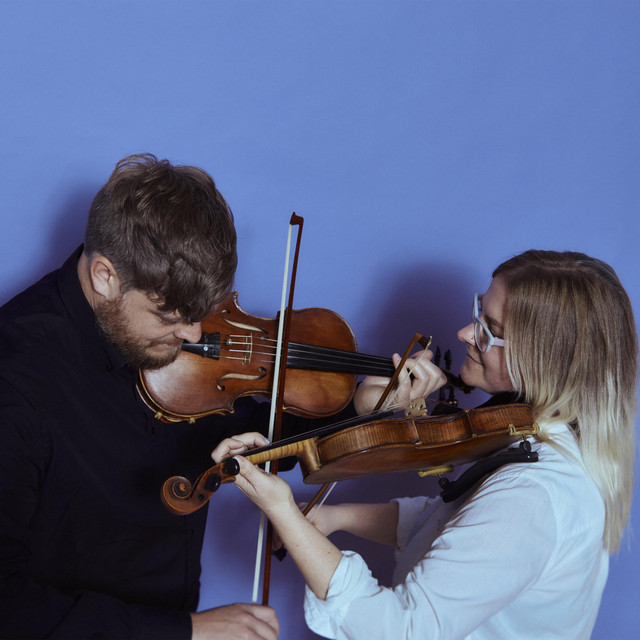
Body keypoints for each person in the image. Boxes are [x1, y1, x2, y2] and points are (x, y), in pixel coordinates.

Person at [215, 250, 638, 639]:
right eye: (478, 313)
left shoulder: (533, 495)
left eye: (491, 332)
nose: (465, 333)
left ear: (545, 360)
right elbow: (451, 522)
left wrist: (283, 510)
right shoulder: (534, 439)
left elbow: (403, 629)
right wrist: (335, 516)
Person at [0, 154, 288, 639]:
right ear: (105, 276)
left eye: (200, 314)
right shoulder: (14, 380)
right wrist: (186, 631)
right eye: (169, 316)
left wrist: (362, 407)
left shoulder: (160, 330)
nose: (194, 334)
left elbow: (243, 420)